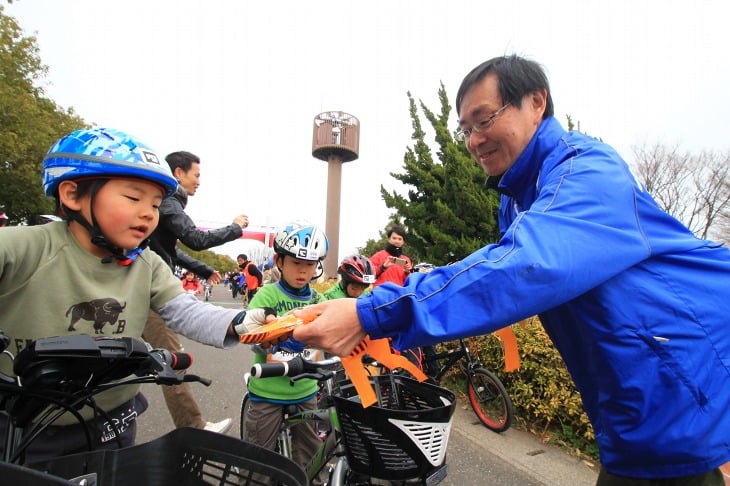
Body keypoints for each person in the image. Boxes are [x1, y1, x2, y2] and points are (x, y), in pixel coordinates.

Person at [293, 55, 730, 485]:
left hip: (681, 388)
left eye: (484, 120)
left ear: (537, 102)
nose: (473, 140)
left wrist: (373, 312)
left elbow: (523, 266)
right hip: (636, 409)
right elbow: (505, 271)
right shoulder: (517, 197)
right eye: (464, 129)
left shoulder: (587, 169)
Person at [0, 127, 273, 462]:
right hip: (27, 426)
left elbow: (186, 311)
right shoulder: (23, 247)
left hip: (116, 419)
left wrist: (244, 320)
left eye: (156, 204)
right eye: (133, 198)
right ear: (71, 195)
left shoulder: (146, 262)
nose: (149, 213)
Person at [144, 150, 249, 434]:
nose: (199, 181)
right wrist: (235, 229)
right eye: (197, 174)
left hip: (147, 285)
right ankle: (193, 427)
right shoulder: (168, 202)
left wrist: (203, 270)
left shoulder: (166, 203)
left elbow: (169, 249)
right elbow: (196, 238)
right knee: (170, 359)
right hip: (150, 292)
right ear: (178, 173)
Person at [242, 221, 328, 469]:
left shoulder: (318, 299)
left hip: (306, 390)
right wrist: (272, 339)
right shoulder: (266, 295)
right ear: (279, 261)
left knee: (312, 460)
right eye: (296, 263)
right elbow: (253, 340)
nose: (303, 271)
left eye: (310, 264)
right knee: (258, 462)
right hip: (268, 391)